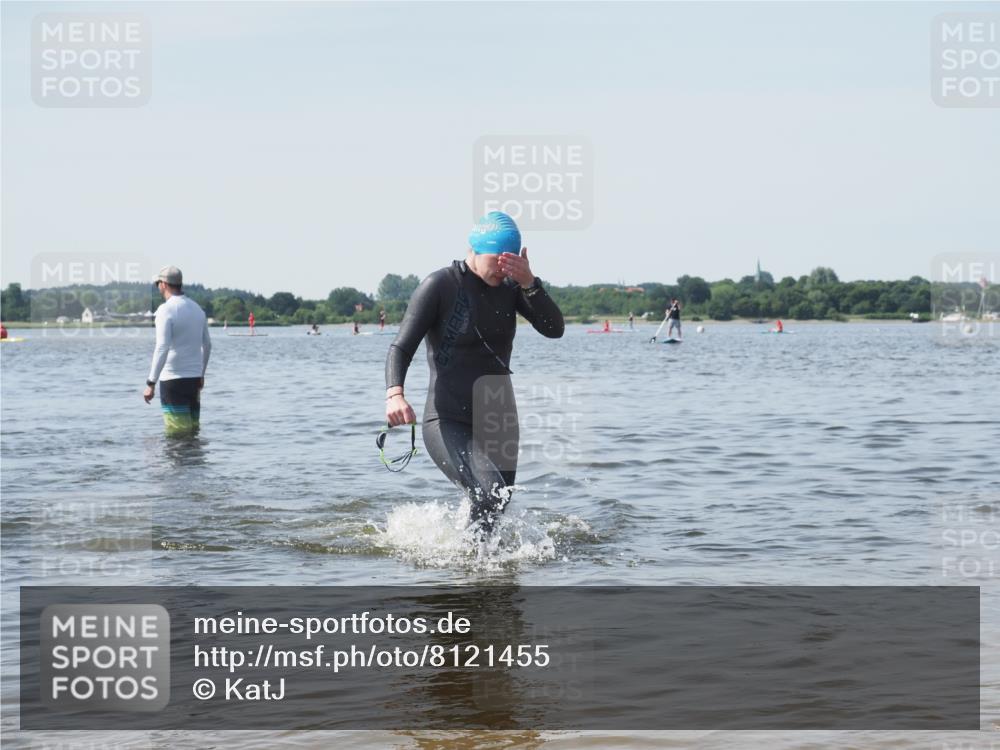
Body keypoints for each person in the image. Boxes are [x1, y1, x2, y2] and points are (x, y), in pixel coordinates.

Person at [385, 211, 564, 536]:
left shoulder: (512, 287)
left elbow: (554, 330)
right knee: (489, 491)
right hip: (447, 418)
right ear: (475, 249)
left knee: (497, 501)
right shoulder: (439, 286)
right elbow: (401, 347)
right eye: (497, 261)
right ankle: (469, 565)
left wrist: (529, 283)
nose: (501, 271)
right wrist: (395, 393)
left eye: (509, 264)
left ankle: (481, 576)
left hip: (499, 416)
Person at [144, 266, 211, 436]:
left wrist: (151, 383)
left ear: (164, 284)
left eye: (158, 283)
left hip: (173, 380)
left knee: (177, 434)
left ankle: (178, 462)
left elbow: (162, 347)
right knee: (193, 431)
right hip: (194, 379)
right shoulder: (197, 309)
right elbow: (207, 344)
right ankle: (195, 463)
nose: (157, 286)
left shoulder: (165, 310)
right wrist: (201, 374)